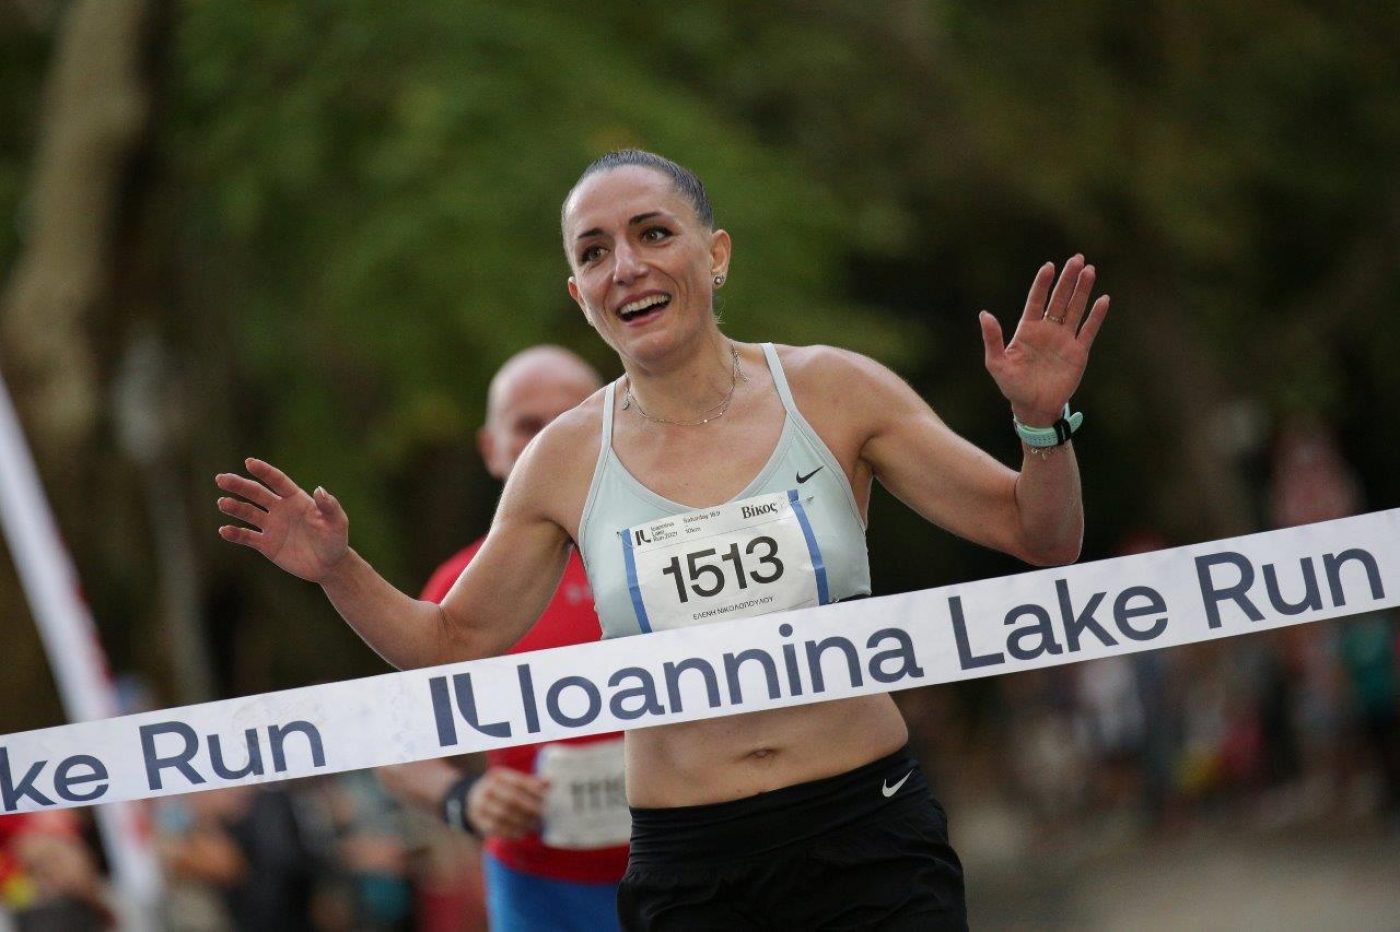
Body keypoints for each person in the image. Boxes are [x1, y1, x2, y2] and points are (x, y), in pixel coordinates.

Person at [216, 148, 1110, 929]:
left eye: (653, 233)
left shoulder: (835, 392)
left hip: (864, 826)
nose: (627, 268)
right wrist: (337, 569)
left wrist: (1042, 426)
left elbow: (1038, 535)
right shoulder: (564, 457)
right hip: (691, 863)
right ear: (579, 295)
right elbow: (449, 642)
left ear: (715, 254)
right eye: (594, 253)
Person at [377, 346, 628, 931]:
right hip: (540, 890)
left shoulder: (674, 552)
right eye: (527, 426)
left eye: (571, 421)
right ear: (492, 449)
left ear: (616, 432)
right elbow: (394, 742)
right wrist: (465, 797)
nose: (548, 443)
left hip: (692, 866)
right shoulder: (458, 590)